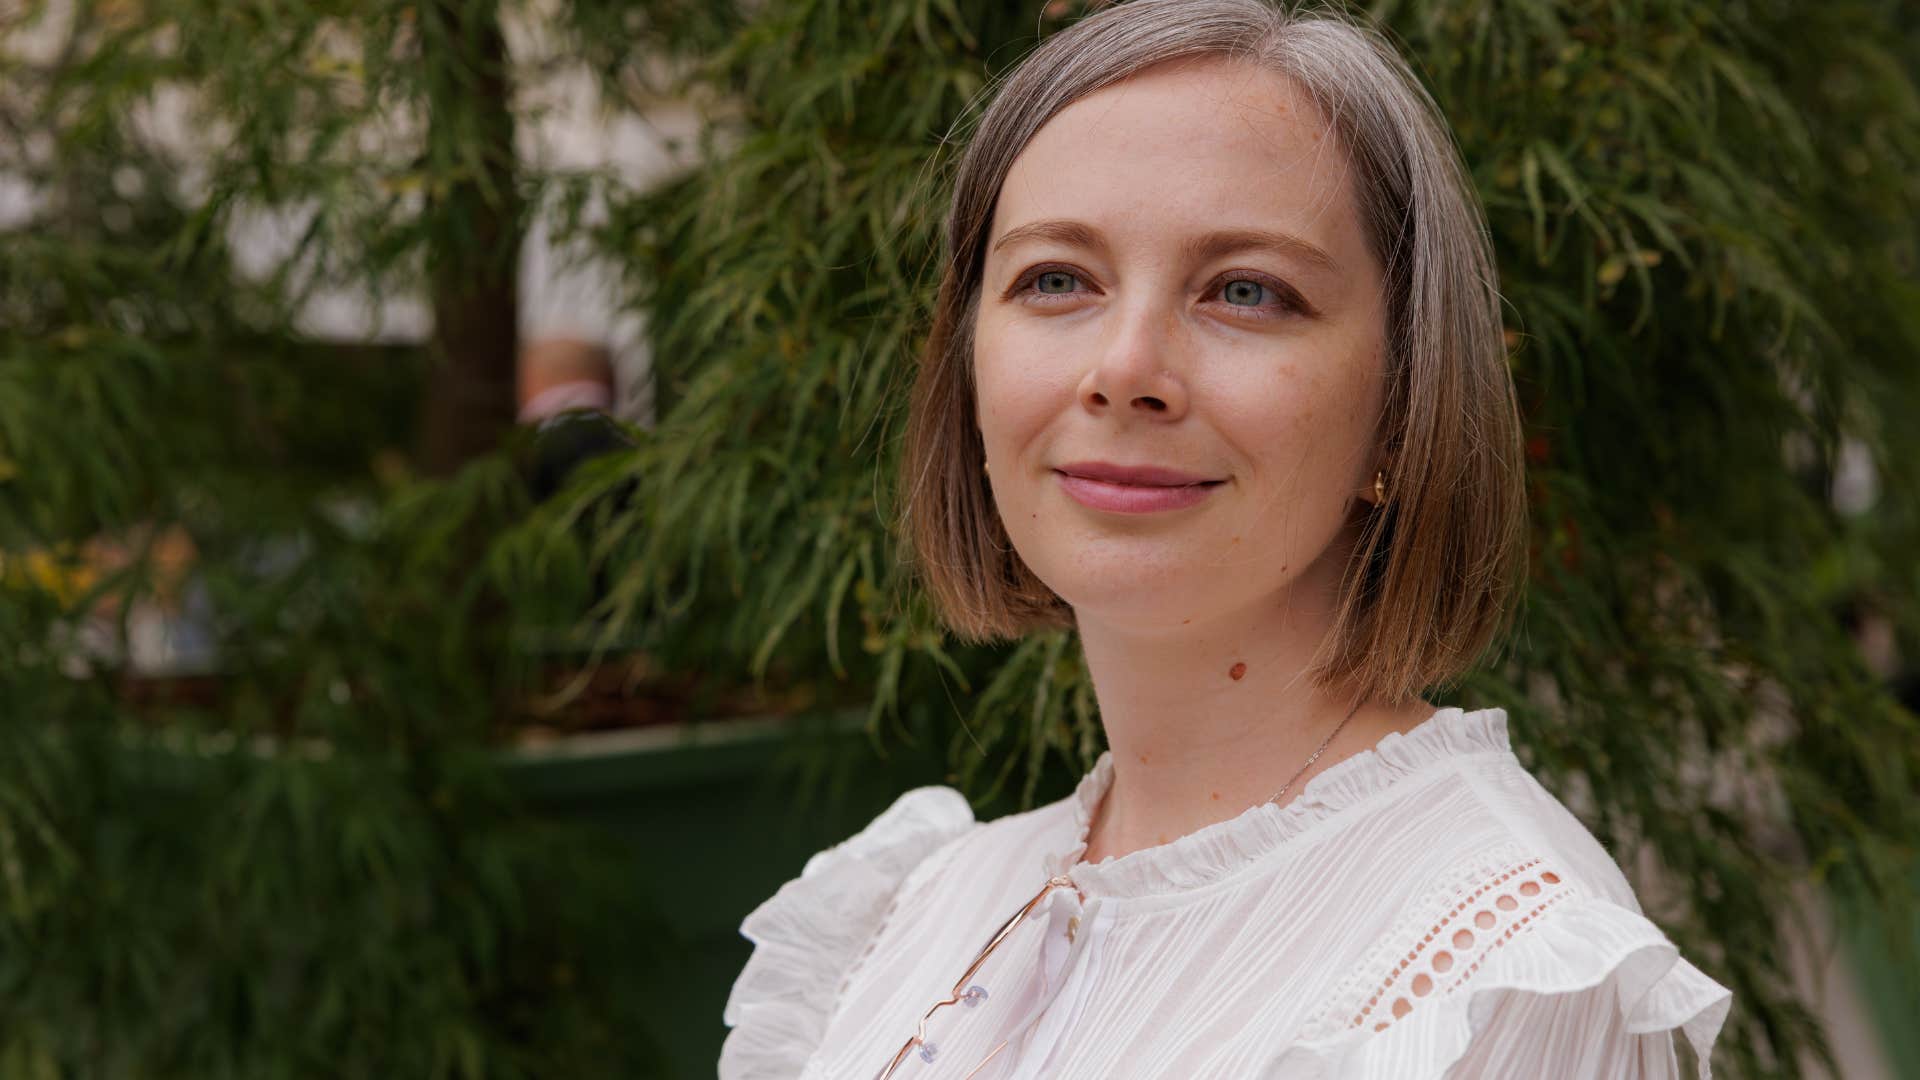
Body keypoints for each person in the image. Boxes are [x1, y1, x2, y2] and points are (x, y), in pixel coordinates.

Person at [720, 1, 1734, 1076]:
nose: (1124, 367)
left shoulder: (1485, 974)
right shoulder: (910, 913)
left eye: (1246, 291)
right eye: (1056, 278)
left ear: (1404, 402)